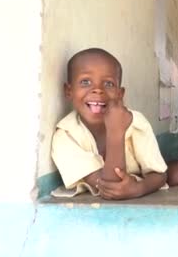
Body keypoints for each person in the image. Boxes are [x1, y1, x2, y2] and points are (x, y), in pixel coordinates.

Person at [51, 48, 166, 200]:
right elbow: (110, 188)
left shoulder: (137, 122)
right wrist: (116, 133)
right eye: (85, 82)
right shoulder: (66, 136)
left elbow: (159, 174)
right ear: (68, 91)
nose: (98, 90)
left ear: (120, 94)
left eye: (108, 84)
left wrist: (139, 188)